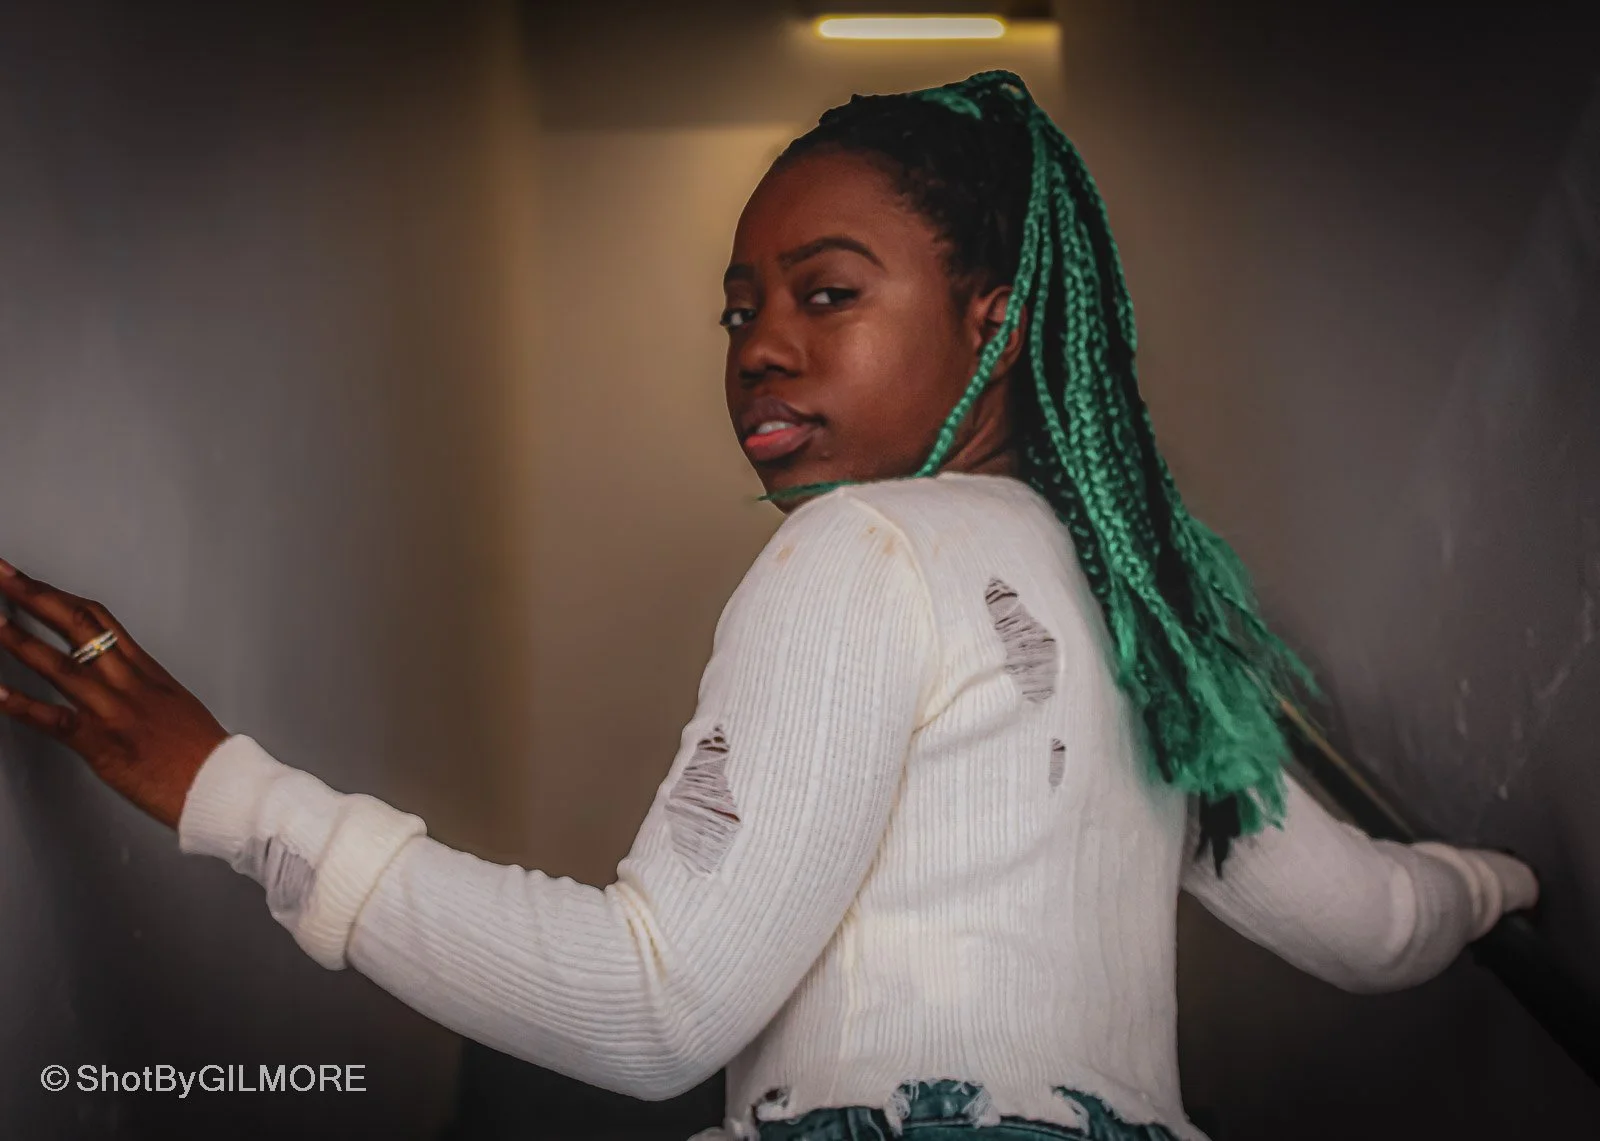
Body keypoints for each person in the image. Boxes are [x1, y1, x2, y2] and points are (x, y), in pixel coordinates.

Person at [0, 71, 1538, 1141]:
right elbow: (1375, 925)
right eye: (741, 307)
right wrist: (1515, 887)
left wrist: (233, 793)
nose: (759, 347)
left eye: (827, 291)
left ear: (991, 323)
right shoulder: (1149, 634)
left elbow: (653, 1006)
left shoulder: (863, 549)